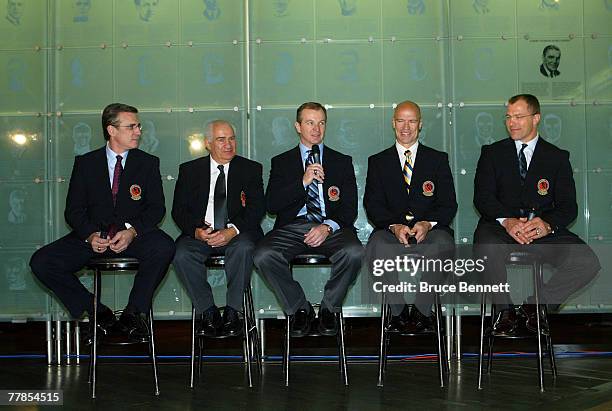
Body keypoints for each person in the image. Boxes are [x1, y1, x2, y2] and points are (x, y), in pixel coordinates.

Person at [30, 103, 175, 343]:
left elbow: (156, 208)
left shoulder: (148, 163)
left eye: (138, 126)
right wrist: (89, 235)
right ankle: (97, 311)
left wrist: (132, 232)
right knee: (42, 261)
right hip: (93, 237)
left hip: (132, 236)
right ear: (112, 130)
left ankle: (134, 313)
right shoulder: (86, 163)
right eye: (132, 127)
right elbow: (73, 210)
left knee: (165, 247)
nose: (138, 131)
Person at [473, 94, 600, 336]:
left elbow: (567, 206)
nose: (512, 122)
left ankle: (535, 307)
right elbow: (483, 198)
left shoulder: (557, 157)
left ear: (536, 118)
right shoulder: (492, 153)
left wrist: (547, 224)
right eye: (508, 117)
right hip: (501, 228)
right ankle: (504, 311)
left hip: (540, 231)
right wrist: (508, 221)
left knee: (586, 261)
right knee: (485, 246)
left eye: (519, 117)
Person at [253, 102, 363, 337]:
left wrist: (327, 226)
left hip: (330, 226)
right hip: (292, 227)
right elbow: (271, 205)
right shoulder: (281, 162)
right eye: (310, 123)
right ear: (298, 126)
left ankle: (329, 308)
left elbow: (349, 209)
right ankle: (299, 309)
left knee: (354, 252)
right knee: (263, 254)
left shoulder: (340, 161)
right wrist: (302, 182)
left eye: (321, 123)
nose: (316, 129)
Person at [363, 100, 457, 333]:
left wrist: (427, 223)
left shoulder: (437, 159)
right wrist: (394, 226)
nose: (406, 127)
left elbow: (448, 204)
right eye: (401, 121)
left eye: (412, 121)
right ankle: (398, 312)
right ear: (393, 124)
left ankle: (422, 311)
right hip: (391, 232)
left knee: (443, 245)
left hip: (430, 232)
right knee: (376, 246)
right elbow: (372, 204)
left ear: (420, 124)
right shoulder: (378, 161)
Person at [172, 120, 264, 337]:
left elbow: (257, 208)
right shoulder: (189, 171)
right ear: (208, 143)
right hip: (201, 234)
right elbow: (179, 210)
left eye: (232, 139)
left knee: (244, 248)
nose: (228, 144)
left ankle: (233, 312)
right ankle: (209, 313)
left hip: (237, 233)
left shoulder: (250, 169)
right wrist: (197, 232)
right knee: (181, 253)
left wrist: (232, 230)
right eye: (221, 140)